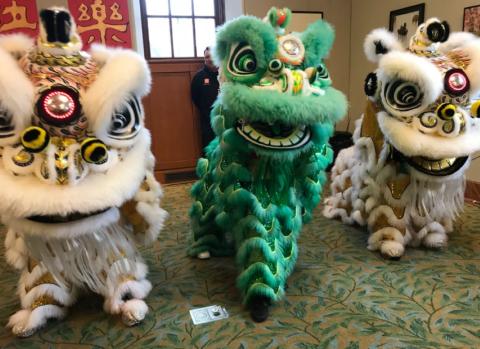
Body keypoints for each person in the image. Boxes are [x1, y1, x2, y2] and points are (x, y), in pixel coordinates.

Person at [191, 47, 219, 154]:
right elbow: (195, 98)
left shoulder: (225, 75)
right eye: (207, 56)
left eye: (212, 56)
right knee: (209, 150)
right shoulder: (199, 77)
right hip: (207, 122)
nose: (210, 59)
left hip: (226, 120)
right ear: (204, 59)